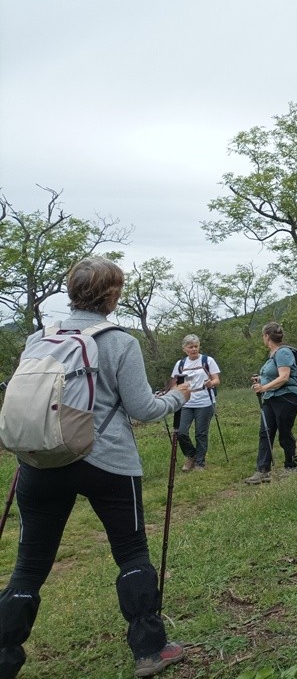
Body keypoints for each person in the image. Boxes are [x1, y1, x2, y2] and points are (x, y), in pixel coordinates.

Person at [0, 256, 190, 678]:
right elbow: (143, 407)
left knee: (29, 566)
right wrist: (178, 395)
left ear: (72, 290)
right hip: (107, 461)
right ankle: (150, 650)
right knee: (131, 551)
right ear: (112, 295)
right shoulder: (119, 342)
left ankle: (4, 657)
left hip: (41, 459)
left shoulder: (38, 337)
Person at [244, 322, 297, 484]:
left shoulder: (283, 352)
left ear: (266, 336)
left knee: (284, 432)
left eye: (263, 336)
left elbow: (284, 377)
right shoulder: (272, 355)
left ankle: (292, 466)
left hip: (286, 397)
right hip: (271, 398)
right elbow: (274, 375)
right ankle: (263, 470)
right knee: (265, 433)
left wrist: (263, 387)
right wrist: (261, 380)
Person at [170, 334, 221, 472]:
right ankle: (191, 456)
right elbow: (174, 383)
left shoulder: (207, 360)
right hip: (185, 403)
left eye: (196, 346)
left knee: (201, 433)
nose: (194, 349)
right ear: (184, 349)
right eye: (190, 347)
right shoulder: (180, 364)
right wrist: (173, 392)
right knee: (181, 432)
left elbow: (217, 379)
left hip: (204, 401)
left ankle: (200, 463)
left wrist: (211, 383)